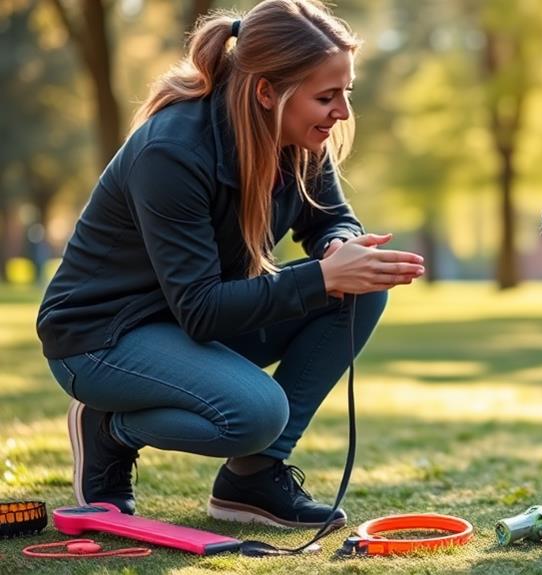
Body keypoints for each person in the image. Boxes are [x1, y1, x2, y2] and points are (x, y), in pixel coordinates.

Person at [35, 0, 424, 529]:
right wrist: (322, 277)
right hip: (103, 338)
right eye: (326, 97)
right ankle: (109, 430)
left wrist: (339, 248)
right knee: (256, 413)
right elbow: (201, 311)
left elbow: (331, 218)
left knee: (361, 288)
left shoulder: (298, 140)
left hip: (186, 323)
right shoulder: (171, 152)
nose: (342, 113)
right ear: (267, 92)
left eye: (345, 94)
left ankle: (252, 480)